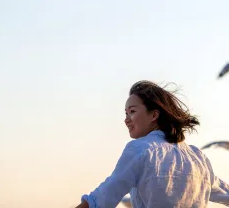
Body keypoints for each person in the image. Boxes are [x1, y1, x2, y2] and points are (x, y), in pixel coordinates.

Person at [75, 80, 229, 208]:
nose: (126, 119)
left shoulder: (140, 149)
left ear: (154, 115)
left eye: (132, 111)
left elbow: (102, 199)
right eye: (126, 113)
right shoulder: (198, 157)